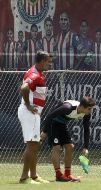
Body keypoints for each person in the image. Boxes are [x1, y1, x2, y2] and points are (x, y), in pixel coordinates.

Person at [40, 96, 96, 182]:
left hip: (62, 124)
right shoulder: (68, 108)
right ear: (82, 107)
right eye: (89, 109)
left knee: (70, 147)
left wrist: (86, 147)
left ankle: (67, 174)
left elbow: (86, 129)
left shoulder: (86, 114)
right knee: (57, 148)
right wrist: (44, 131)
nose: (90, 111)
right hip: (52, 123)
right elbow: (50, 115)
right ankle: (58, 175)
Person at [18, 50, 52, 184]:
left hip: (32, 114)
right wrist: (28, 105)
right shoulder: (35, 74)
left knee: (34, 145)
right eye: (48, 62)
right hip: (30, 113)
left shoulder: (37, 72)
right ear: (42, 61)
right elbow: (24, 88)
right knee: (32, 146)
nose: (49, 64)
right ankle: (24, 177)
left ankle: (34, 176)